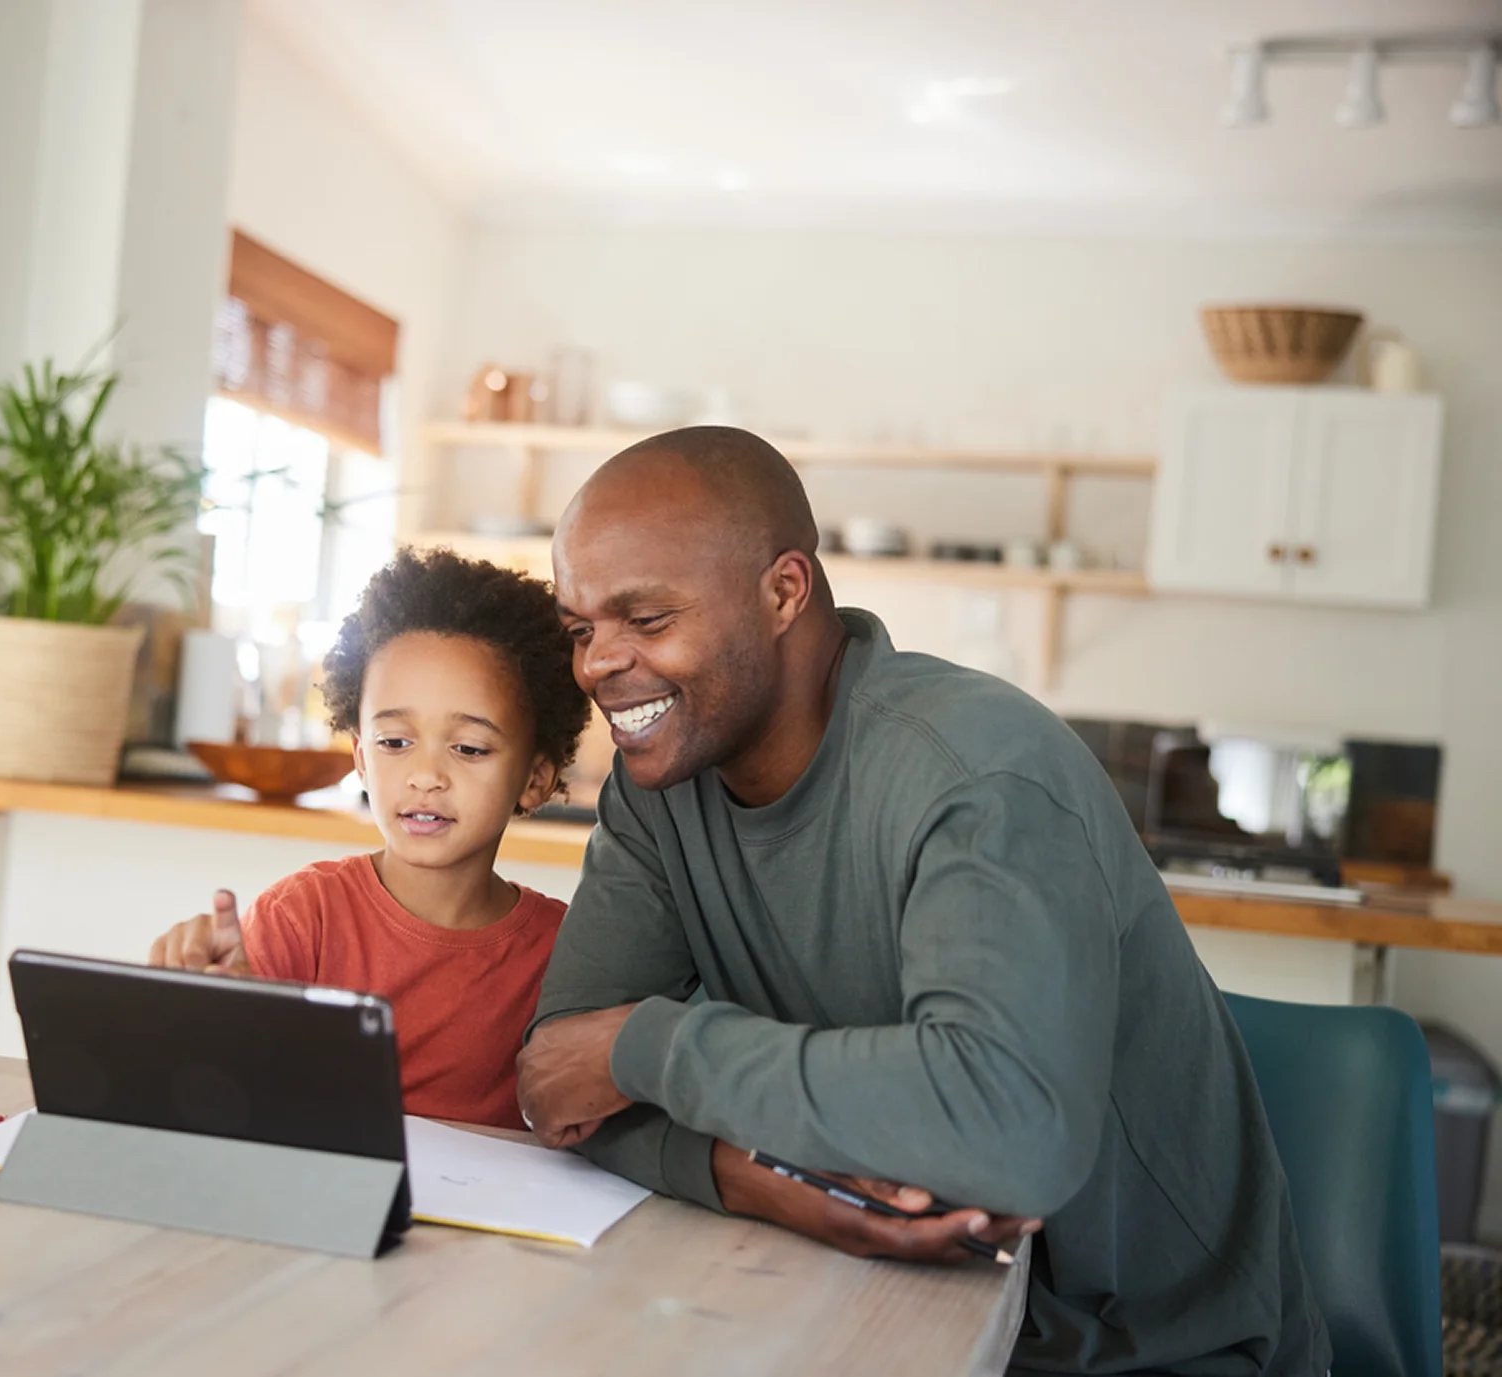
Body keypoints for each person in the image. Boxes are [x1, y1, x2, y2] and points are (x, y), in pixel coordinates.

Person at [516, 427, 1330, 1375]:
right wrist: (756, 1178)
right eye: (580, 628)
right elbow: (556, 1082)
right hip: (856, 1300)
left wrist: (642, 1047)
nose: (596, 665)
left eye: (646, 620)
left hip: (1144, 1351)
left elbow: (1006, 1131)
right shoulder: (661, 789)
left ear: (784, 591)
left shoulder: (978, 768)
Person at [150, 547, 590, 1130]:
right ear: (360, 757)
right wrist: (213, 998)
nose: (426, 775)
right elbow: (216, 1084)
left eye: (469, 748)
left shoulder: (564, 954)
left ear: (535, 779)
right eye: (394, 743)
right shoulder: (303, 917)